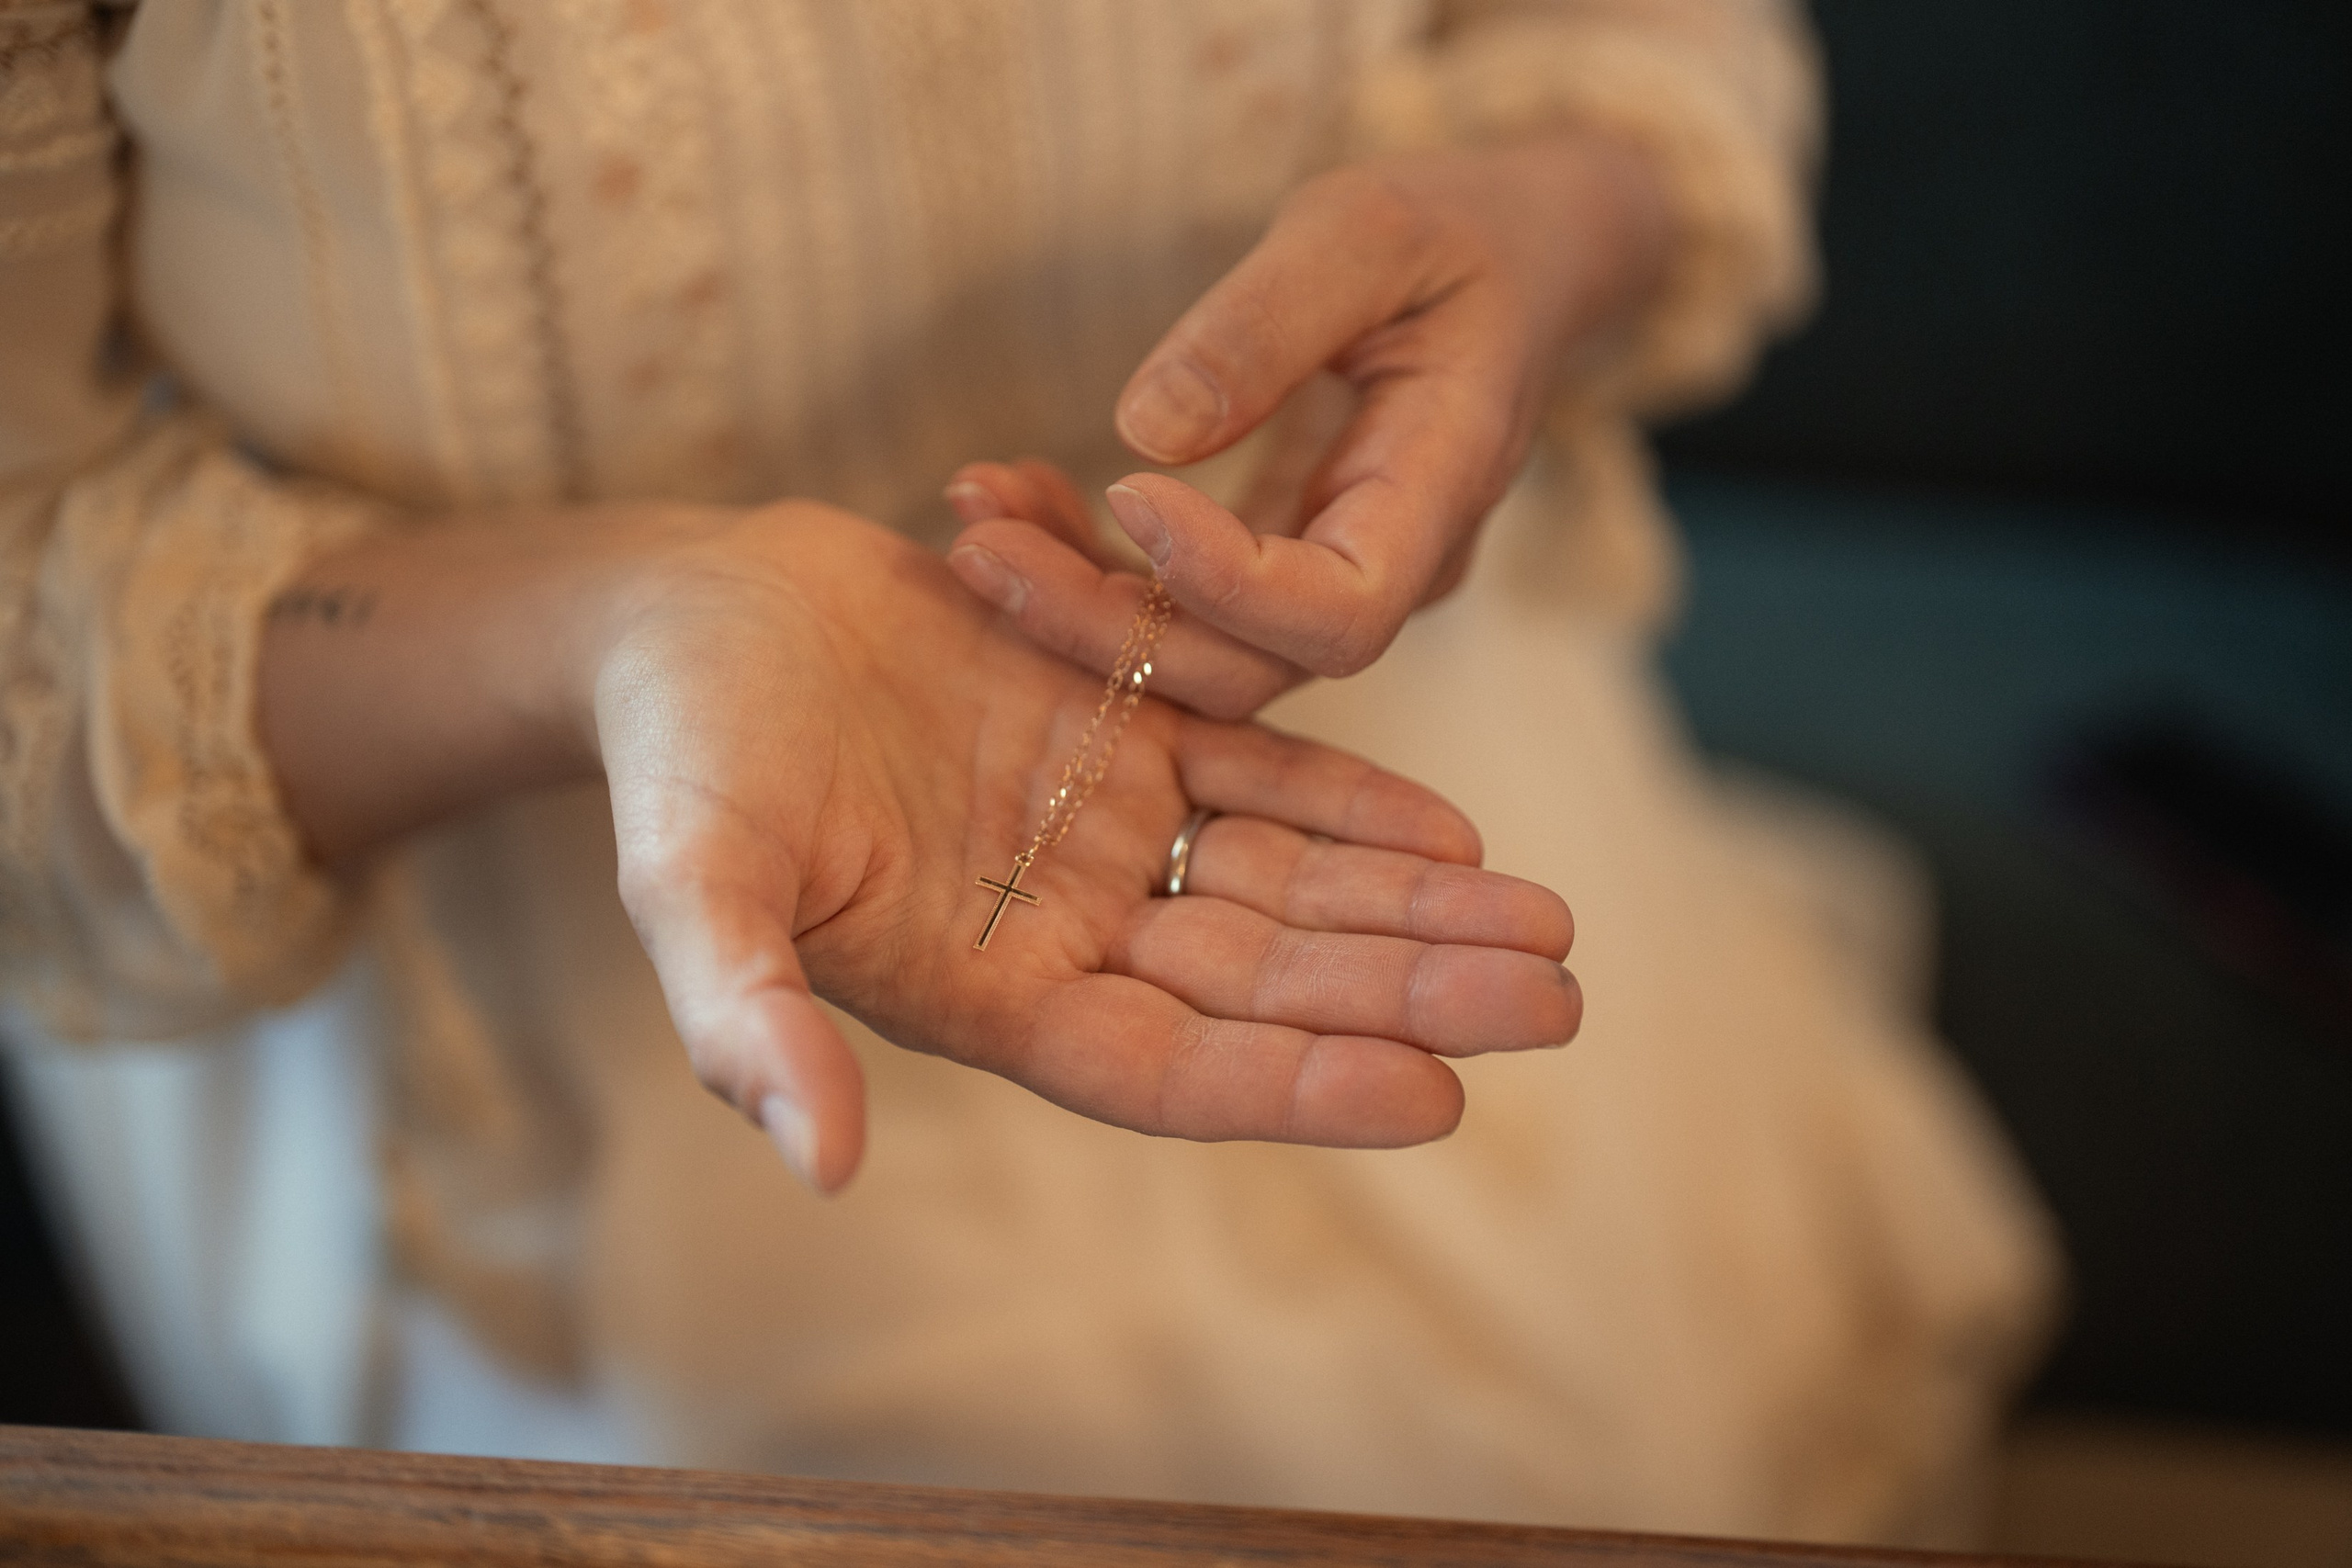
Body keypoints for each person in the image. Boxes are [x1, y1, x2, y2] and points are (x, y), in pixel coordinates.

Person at [0, 0, 2058, 1543]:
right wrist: (611, 631)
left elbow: (1634, 38)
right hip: (529, 978)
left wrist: (1539, 217)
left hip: (1381, 776)